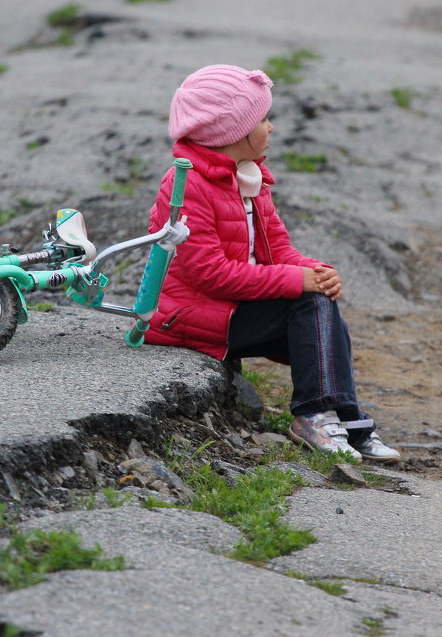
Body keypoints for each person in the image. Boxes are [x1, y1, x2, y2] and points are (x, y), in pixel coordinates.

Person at [144, 64, 400, 463]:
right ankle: (315, 414)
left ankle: (346, 420)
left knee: (320, 302)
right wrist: (296, 281)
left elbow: (278, 249)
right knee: (308, 300)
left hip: (235, 310)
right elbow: (209, 275)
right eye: (263, 119)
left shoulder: (249, 176)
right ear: (232, 131)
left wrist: (315, 271)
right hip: (191, 318)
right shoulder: (185, 185)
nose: (271, 127)